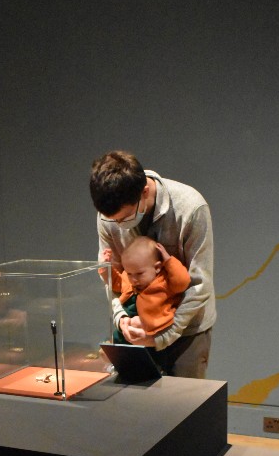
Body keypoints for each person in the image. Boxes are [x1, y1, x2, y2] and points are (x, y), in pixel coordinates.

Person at [90, 151, 216, 378]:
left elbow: (199, 284)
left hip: (185, 331)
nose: (119, 225)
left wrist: (161, 337)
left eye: (124, 219)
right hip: (134, 331)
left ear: (144, 192)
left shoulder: (191, 208)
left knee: (184, 407)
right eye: (113, 221)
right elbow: (111, 278)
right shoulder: (107, 217)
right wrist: (122, 320)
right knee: (136, 408)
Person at [102, 236, 191, 345]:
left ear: (157, 267)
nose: (134, 279)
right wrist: (106, 268)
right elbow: (116, 283)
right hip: (126, 328)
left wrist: (169, 260)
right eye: (129, 273)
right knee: (116, 342)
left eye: (140, 274)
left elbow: (182, 282)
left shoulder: (163, 282)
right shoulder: (128, 279)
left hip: (152, 331)